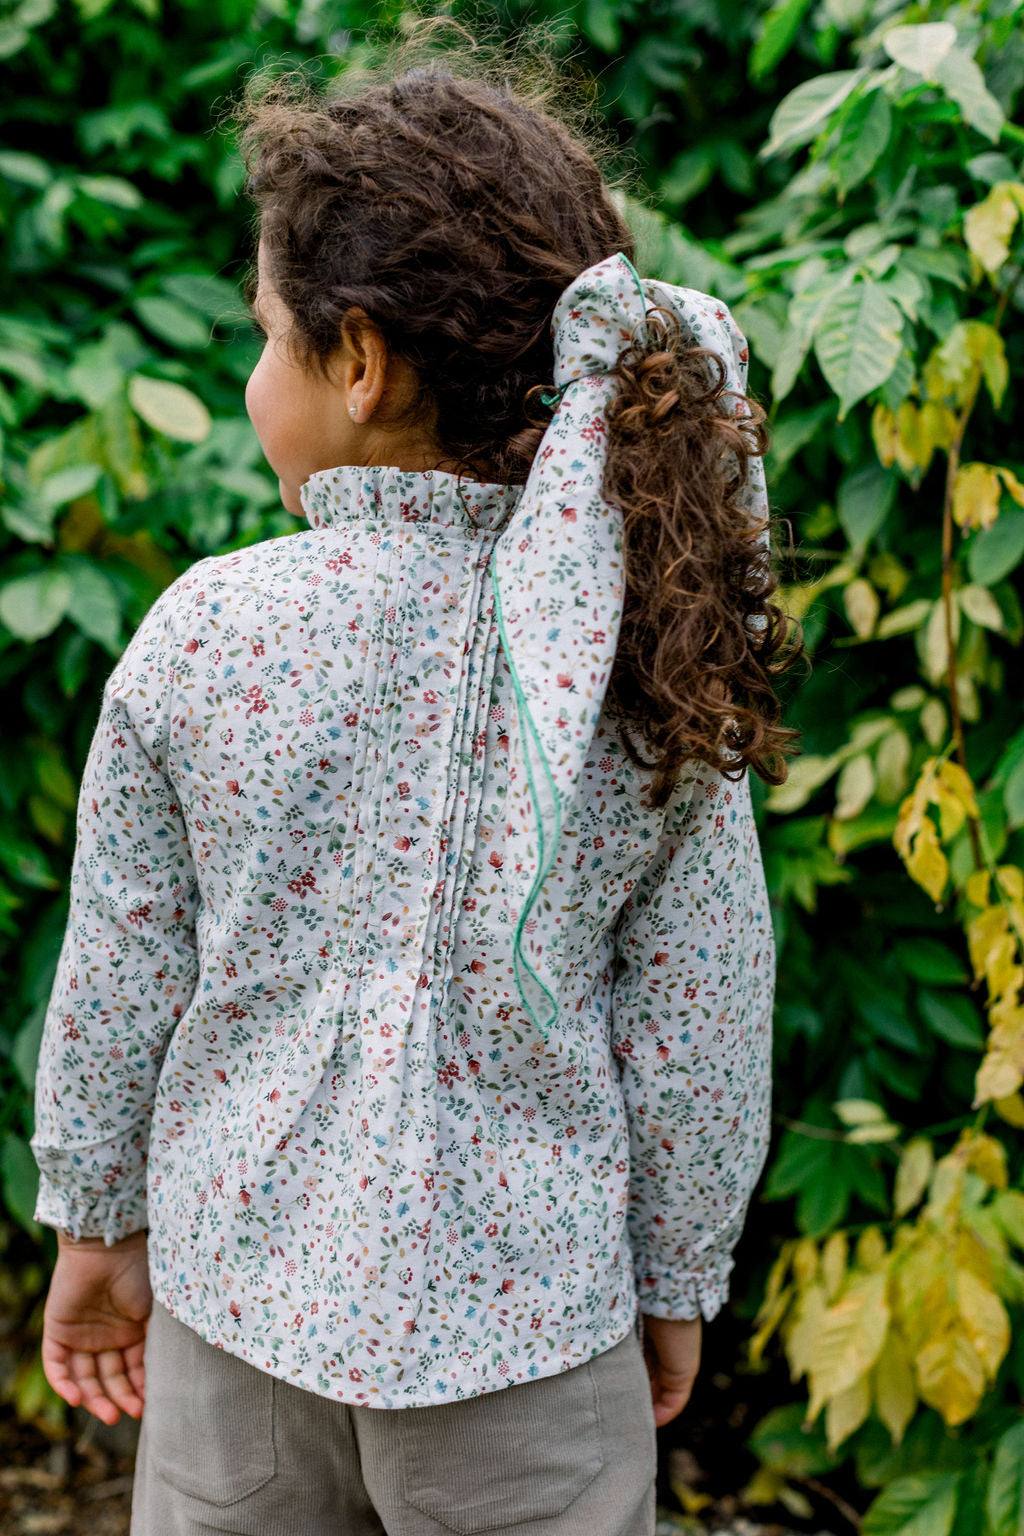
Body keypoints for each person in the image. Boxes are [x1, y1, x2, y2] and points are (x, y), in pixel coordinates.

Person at [31, 58, 797, 1536]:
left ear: (358, 361)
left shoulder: (207, 630)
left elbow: (121, 965)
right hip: (529, 1336)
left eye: (265, 338)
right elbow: (702, 1002)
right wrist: (675, 1277)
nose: (255, 376)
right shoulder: (636, 644)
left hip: (236, 1307)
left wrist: (97, 1223)